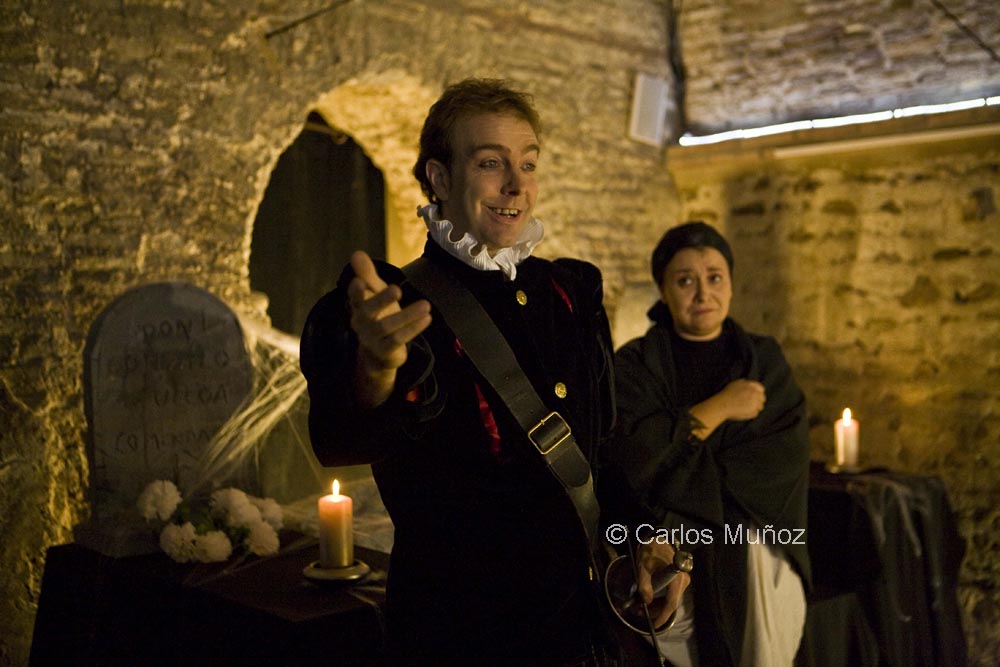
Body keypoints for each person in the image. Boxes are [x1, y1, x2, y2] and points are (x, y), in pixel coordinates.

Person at [300, 78, 687, 666]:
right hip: (458, 640)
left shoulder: (567, 294)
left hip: (575, 634)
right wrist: (377, 368)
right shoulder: (397, 304)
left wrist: (643, 537)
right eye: (490, 163)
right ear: (439, 178)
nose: (516, 185)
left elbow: (597, 457)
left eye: (527, 164)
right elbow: (342, 439)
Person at [603, 222, 811, 667]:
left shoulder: (763, 361)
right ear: (664, 290)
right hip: (661, 540)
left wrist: (675, 454)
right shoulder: (635, 365)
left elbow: (777, 463)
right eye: (685, 281)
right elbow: (630, 461)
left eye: (715, 277)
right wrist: (719, 409)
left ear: (731, 284)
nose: (703, 293)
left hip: (751, 544)